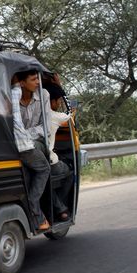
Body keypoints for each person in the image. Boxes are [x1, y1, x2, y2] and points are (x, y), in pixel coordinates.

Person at [11, 71, 51, 230]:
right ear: (21, 82)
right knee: (44, 168)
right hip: (22, 145)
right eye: (34, 79)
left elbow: (45, 127)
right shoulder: (14, 94)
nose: (38, 82)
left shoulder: (42, 95)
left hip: (25, 142)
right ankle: (34, 207)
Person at [45, 83, 73, 221]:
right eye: (59, 101)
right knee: (69, 174)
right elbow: (70, 113)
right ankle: (59, 208)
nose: (59, 103)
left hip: (33, 160)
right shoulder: (55, 116)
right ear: (52, 101)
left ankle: (58, 207)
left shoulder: (31, 112)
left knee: (45, 181)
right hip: (50, 162)